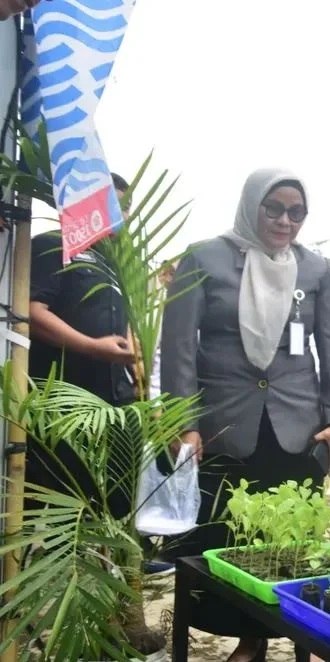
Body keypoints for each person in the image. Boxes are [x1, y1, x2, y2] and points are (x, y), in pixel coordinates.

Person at [161, 168, 330, 662]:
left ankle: (267, 642)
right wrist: (184, 422)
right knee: (225, 538)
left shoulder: (314, 270)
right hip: (224, 427)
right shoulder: (205, 258)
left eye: (296, 212)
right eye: (274, 209)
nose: (285, 221)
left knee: (285, 543)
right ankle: (238, 638)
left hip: (296, 429)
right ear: (252, 206)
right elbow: (179, 348)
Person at [27, 173, 173, 574]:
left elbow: (129, 327)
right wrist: (94, 348)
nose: (119, 215)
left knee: (118, 496)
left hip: (117, 404)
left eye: (124, 207)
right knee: (64, 499)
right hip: (68, 403)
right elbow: (33, 313)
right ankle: (66, 575)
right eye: (111, 204)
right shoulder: (52, 247)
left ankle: (124, 568)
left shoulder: (119, 266)